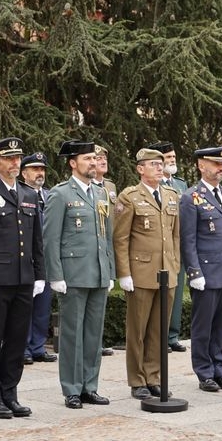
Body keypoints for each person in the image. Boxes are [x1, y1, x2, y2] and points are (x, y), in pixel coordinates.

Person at [43, 139, 115, 409]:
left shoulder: (100, 193)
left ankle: (89, 386)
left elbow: (106, 236)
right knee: (72, 334)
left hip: (97, 272)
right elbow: (50, 238)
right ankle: (72, 388)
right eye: (87, 159)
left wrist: (110, 271)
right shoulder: (60, 194)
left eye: (95, 159)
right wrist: (56, 275)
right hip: (72, 274)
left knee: (94, 334)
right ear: (73, 163)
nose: (93, 163)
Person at [0, 138, 45, 419]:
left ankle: (10, 393)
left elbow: (36, 240)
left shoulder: (29, 194)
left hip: (23, 278)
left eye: (17, 158)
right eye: (8, 159)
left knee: (17, 340)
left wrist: (40, 275)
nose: (15, 163)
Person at [113, 148, 180, 399]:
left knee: (159, 330)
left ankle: (154, 377)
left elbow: (176, 236)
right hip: (140, 272)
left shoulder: (172, 195)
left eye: (160, 164)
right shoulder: (130, 197)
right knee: (138, 331)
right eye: (153, 164)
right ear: (140, 169)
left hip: (166, 272)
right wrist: (124, 273)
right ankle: (137, 380)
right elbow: (120, 238)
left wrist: (175, 265)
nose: (159, 168)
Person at [179, 146, 222, 392]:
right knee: (203, 326)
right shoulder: (191, 197)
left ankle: (220, 369)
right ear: (201, 165)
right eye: (216, 163)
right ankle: (204, 372)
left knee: (221, 327)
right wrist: (194, 271)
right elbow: (188, 239)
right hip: (206, 274)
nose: (221, 168)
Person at [148, 140, 188, 353]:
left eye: (173, 157)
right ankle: (159, 336)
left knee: (177, 291)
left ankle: (172, 335)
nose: (172, 161)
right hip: (158, 246)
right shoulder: (154, 185)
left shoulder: (181, 184)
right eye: (168, 158)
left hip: (177, 245)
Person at [21, 152, 58, 364]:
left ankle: (38, 346)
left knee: (43, 306)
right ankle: (23, 347)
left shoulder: (50, 195)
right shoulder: (20, 194)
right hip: (26, 259)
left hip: (46, 259)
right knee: (26, 306)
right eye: (35, 169)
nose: (40, 173)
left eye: (42, 169)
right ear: (24, 173)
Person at [92, 144, 118, 356]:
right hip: (92, 244)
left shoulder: (110, 186)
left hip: (108, 243)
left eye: (104, 158)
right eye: (97, 158)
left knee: (103, 297)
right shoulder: (86, 186)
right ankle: (92, 343)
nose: (102, 161)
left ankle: (99, 340)